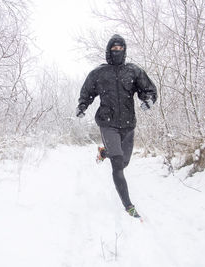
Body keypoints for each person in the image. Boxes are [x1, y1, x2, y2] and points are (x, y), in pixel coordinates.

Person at [75, 34, 157, 218]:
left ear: (124, 50)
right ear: (108, 50)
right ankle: (128, 206)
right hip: (107, 123)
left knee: (125, 161)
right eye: (114, 48)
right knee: (118, 165)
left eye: (120, 48)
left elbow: (148, 89)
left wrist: (149, 100)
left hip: (128, 124)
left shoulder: (133, 71)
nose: (117, 51)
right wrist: (82, 106)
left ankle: (105, 152)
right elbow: (87, 92)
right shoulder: (99, 73)